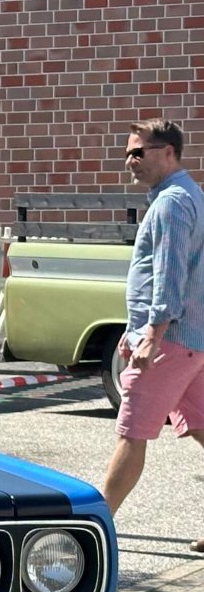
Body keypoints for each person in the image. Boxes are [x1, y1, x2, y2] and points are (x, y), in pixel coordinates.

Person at [99, 119, 204, 552]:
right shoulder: (188, 196)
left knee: (131, 432)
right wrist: (134, 329)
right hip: (189, 340)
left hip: (171, 341)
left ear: (168, 153)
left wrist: (152, 336)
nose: (130, 161)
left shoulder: (172, 204)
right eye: (128, 153)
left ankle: (90, 531)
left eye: (139, 152)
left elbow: (169, 276)